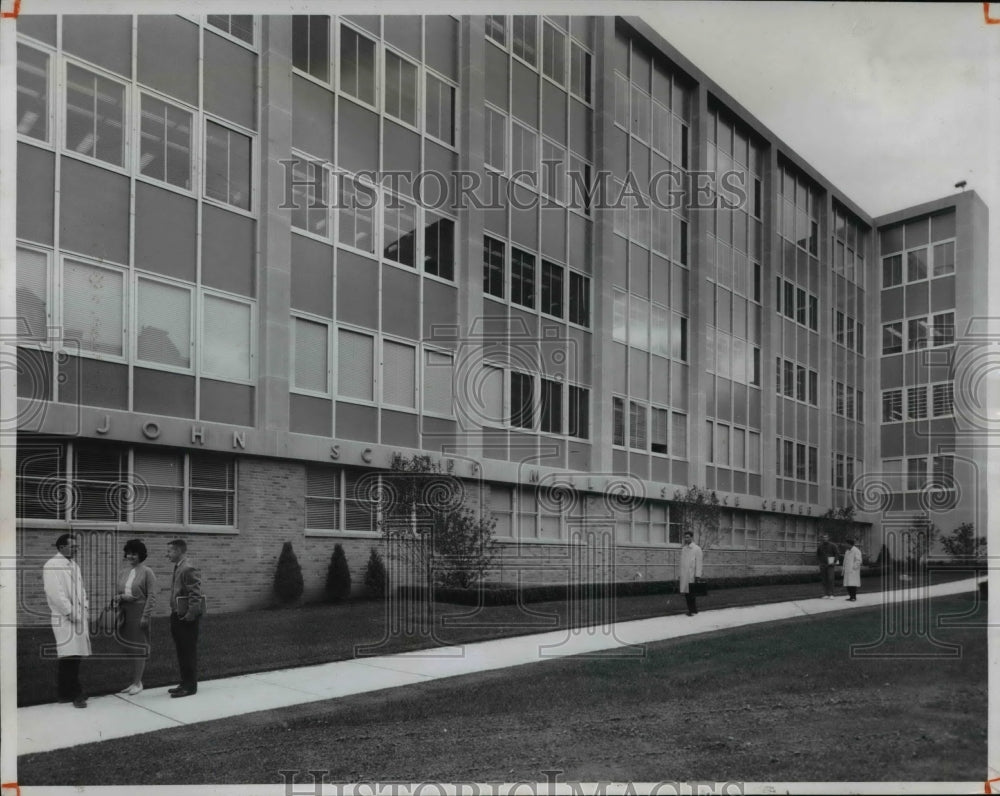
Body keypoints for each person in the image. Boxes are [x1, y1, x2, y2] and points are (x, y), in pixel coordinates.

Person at [42, 533, 91, 708]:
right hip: (65, 618)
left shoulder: (74, 565)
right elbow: (55, 594)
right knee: (68, 654)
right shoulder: (52, 565)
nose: (76, 549)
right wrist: (71, 613)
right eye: (73, 546)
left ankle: (64, 693)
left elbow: (82, 590)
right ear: (61, 547)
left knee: (74, 655)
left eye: (77, 546)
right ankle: (75, 693)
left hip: (78, 616)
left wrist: (84, 607)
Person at [115, 539, 157, 696]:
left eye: (134, 553)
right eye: (129, 553)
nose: (131, 556)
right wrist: (120, 598)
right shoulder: (123, 572)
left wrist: (145, 616)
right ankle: (134, 681)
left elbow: (152, 596)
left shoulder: (147, 572)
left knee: (138, 647)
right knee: (129, 647)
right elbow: (120, 593)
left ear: (141, 555)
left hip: (139, 612)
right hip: (124, 612)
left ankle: (138, 683)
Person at [167, 539, 204, 698]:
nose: (167, 554)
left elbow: (195, 594)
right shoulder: (179, 567)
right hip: (177, 614)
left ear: (178, 551)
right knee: (181, 650)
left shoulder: (188, 568)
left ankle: (190, 687)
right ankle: (184, 682)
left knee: (188, 651)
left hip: (187, 617)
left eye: (169, 551)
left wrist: (190, 614)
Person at [679, 531, 704, 616]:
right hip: (684, 575)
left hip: (692, 575)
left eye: (688, 537)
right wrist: (680, 575)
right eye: (685, 537)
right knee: (686, 593)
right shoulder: (684, 549)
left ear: (692, 538)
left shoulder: (697, 549)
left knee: (691, 593)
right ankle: (693, 610)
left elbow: (699, 563)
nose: (686, 539)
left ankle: (692, 610)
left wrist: (698, 575)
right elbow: (682, 563)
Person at [816, 533, 839, 599]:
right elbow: (817, 554)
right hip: (823, 565)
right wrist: (819, 562)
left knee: (830, 579)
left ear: (828, 538)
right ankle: (825, 594)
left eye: (826, 537)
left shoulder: (833, 545)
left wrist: (834, 562)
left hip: (830, 565)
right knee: (824, 579)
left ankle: (831, 594)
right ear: (822, 538)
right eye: (823, 537)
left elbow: (837, 554)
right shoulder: (820, 546)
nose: (824, 539)